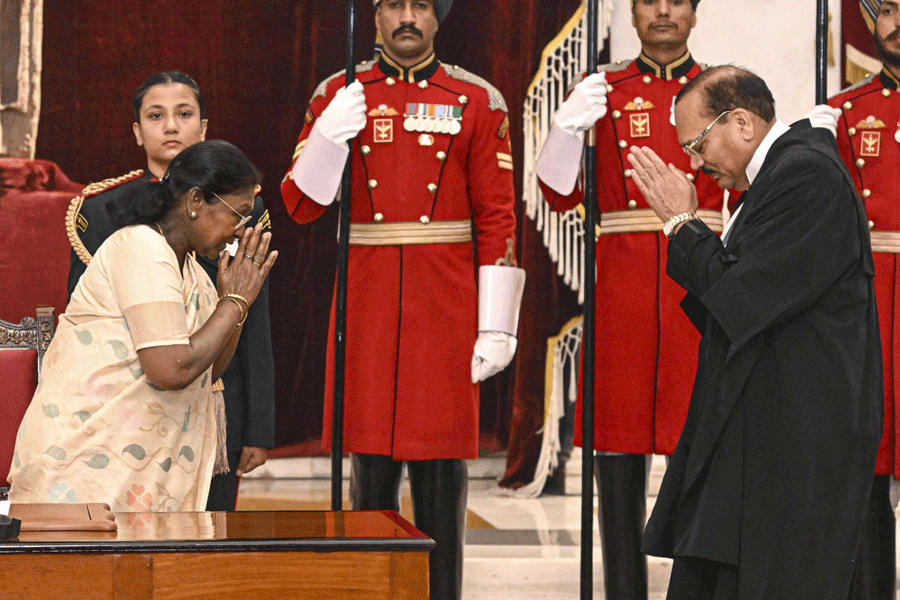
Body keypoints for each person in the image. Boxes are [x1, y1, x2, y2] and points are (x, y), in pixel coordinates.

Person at [281, 1, 524, 599]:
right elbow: (301, 206)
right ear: (375, 15)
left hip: (445, 303)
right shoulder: (339, 92)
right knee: (369, 472)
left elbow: (497, 215)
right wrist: (327, 139)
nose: (408, 17)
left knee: (441, 470)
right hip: (368, 296)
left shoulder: (477, 99)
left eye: (421, 5)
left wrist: (497, 323)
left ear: (439, 17)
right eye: (395, 4)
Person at [627, 65, 882, 600]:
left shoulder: (806, 174)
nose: (695, 162)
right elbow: (732, 309)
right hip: (766, 430)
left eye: (698, 143)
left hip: (795, 442)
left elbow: (739, 300)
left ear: (741, 122)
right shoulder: (776, 176)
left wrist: (681, 224)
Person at [534, 1, 722, 597]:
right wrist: (565, 132)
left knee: (703, 459)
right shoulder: (604, 90)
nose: (663, 11)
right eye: (648, 0)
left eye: (676, 0)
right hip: (623, 296)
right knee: (616, 458)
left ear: (695, 13)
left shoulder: (722, 88)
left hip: (702, 290)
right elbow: (557, 195)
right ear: (633, 15)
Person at [9, 140, 278, 512]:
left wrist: (235, 304)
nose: (241, 231)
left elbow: (208, 369)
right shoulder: (140, 248)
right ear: (196, 201)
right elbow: (169, 369)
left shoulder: (195, 273)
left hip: (134, 472)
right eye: (239, 214)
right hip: (86, 470)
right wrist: (232, 302)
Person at [65, 71, 276, 511]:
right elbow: (97, 338)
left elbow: (247, 324)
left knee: (204, 530)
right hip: (120, 412)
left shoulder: (228, 217)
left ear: (203, 126)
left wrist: (259, 425)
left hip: (205, 396)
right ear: (138, 130)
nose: (171, 127)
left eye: (184, 114)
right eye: (156, 116)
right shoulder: (116, 222)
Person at [828, 2, 900, 597]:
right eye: (890, 9)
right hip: (869, 302)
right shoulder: (845, 113)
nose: (899, 22)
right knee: (867, 459)